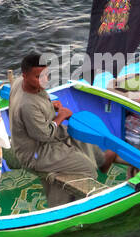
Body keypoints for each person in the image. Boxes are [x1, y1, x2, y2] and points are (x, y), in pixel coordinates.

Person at [8, 53, 118, 207]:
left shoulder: (19, 83)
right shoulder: (27, 106)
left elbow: (36, 106)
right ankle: (71, 205)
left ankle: (101, 160)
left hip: (39, 136)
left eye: (47, 75)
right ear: (25, 76)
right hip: (35, 152)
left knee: (80, 134)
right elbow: (45, 135)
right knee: (87, 168)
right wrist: (61, 115)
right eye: (39, 77)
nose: (45, 81)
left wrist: (50, 106)